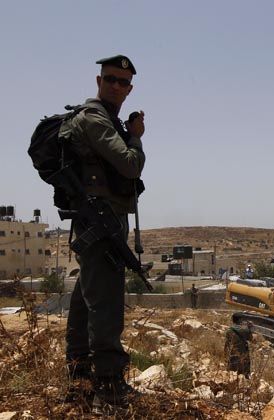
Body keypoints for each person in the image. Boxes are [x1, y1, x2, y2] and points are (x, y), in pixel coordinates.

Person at [62, 55, 145, 412]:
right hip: (99, 220)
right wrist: (136, 138)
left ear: (130, 89)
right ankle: (109, 388)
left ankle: (79, 380)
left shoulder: (106, 120)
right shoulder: (94, 118)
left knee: (87, 298)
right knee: (106, 303)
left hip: (100, 219)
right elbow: (129, 164)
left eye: (122, 82)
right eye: (110, 79)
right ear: (99, 81)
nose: (115, 86)